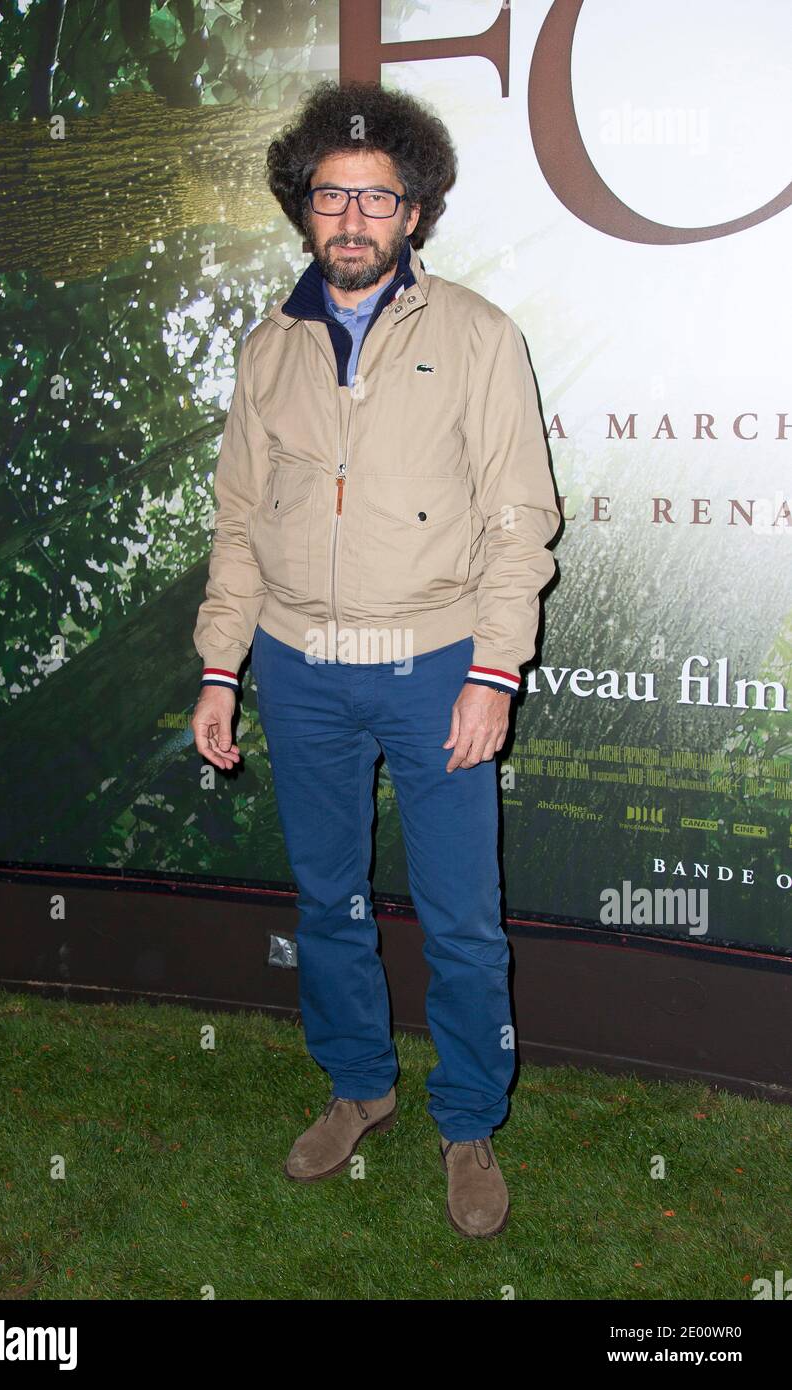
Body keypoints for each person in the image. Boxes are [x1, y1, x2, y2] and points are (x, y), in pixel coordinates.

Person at [191, 79, 559, 1239]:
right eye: (331, 195)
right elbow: (239, 519)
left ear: (415, 211)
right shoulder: (268, 348)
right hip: (298, 672)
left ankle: (466, 1121)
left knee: (459, 917)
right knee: (329, 900)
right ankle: (358, 1085)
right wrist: (219, 665)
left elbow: (517, 519)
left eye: (377, 197)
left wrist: (494, 671)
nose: (351, 217)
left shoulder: (476, 336)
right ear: (303, 205)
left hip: (436, 666)